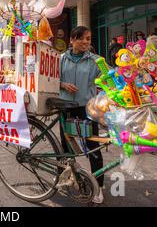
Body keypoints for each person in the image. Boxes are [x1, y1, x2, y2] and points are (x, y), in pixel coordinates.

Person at [59, 26, 104, 204]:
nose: (86, 42)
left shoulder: (96, 60)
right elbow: (51, 79)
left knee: (93, 148)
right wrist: (63, 85)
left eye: (88, 38)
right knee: (66, 147)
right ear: (72, 40)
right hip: (66, 108)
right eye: (81, 38)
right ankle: (68, 178)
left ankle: (99, 187)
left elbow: (108, 78)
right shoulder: (61, 59)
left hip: (87, 109)